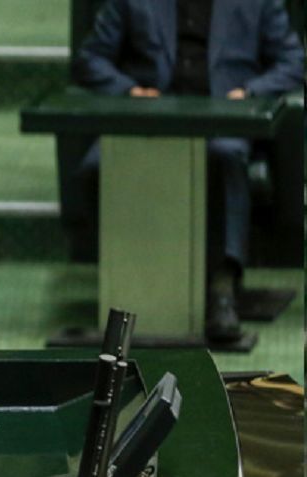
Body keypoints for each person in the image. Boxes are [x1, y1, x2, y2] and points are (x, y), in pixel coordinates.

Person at [71, 0, 304, 343]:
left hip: (223, 119)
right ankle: (125, 286)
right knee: (98, 166)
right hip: (149, 118)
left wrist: (251, 92)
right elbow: (90, 59)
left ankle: (223, 287)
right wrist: (129, 91)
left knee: (225, 155)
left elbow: (293, 61)